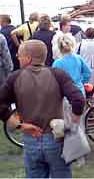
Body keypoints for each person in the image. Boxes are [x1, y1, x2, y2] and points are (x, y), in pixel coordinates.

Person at [0, 40, 85, 178]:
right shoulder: (58, 75)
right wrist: (72, 124)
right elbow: (78, 100)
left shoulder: (15, 78)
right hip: (56, 138)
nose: (17, 57)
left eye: (19, 55)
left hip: (30, 139)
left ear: (28, 58)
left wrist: (19, 125)